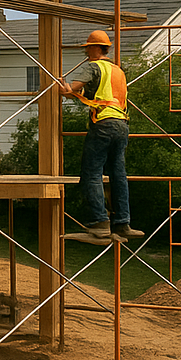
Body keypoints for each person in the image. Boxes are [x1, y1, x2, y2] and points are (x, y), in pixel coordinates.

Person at [59, 30, 144, 240]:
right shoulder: (118, 71)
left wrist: (66, 89)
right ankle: (122, 223)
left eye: (88, 47)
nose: (86, 52)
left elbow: (75, 88)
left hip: (103, 124)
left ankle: (100, 222)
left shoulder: (93, 67)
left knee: (91, 172)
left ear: (97, 47)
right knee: (118, 174)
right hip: (122, 125)